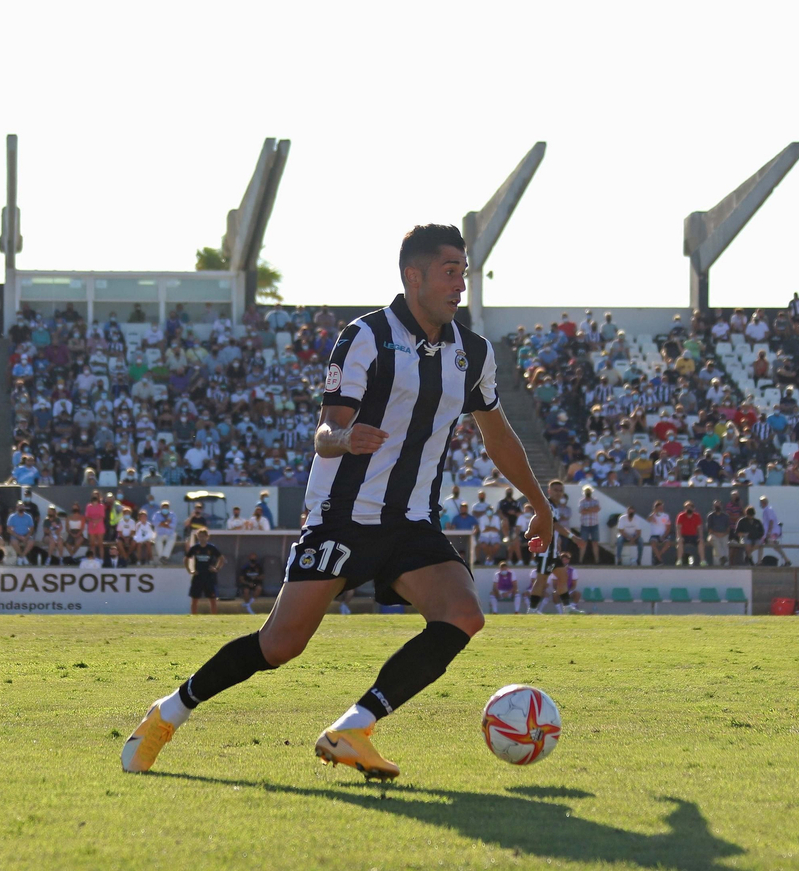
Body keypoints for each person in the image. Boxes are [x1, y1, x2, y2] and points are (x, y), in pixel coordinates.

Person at [121, 225, 555, 781]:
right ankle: (168, 712)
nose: (460, 285)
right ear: (413, 276)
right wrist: (346, 440)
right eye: (450, 271)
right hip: (343, 518)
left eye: (464, 273)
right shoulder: (367, 337)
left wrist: (539, 503)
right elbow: (327, 429)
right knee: (279, 645)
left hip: (413, 522)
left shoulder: (473, 352)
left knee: (464, 614)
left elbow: (497, 435)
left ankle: (354, 727)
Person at [185, 527, 225, 615]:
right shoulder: (195, 548)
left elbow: (221, 558)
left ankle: (214, 617)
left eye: (203, 536)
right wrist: (190, 570)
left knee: (212, 599)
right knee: (195, 599)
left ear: (207, 537)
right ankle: (193, 617)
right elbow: (186, 559)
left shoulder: (211, 548)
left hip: (209, 576)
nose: (201, 538)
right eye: (199, 536)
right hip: (198, 575)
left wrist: (216, 568)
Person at [758, 495, 791, 566]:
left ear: (763, 502)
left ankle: (759, 562)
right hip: (770, 532)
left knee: (766, 545)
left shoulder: (768, 510)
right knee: (773, 547)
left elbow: (771, 521)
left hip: (771, 532)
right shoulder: (768, 510)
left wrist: (768, 533)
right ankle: (786, 560)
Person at [576, 486, 601, 564]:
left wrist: (587, 509)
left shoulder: (595, 500)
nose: (588, 493)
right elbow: (581, 511)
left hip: (594, 524)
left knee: (595, 543)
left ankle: (597, 560)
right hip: (585, 525)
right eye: (586, 491)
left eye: (589, 491)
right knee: (583, 543)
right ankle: (580, 561)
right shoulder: (582, 501)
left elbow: (597, 509)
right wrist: (592, 509)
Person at [703, 501, 731, 567]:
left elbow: (728, 528)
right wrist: (717, 534)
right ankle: (722, 558)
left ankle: (725, 564)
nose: (717, 507)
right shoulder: (710, 516)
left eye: (718, 505)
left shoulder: (726, 516)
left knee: (725, 544)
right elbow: (709, 529)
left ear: (721, 506)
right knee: (714, 540)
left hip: (724, 534)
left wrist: (723, 534)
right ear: (713, 507)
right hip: (713, 535)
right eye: (716, 506)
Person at [675, 501, 702, 567]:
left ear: (693, 508)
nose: (688, 509)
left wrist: (700, 537)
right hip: (684, 536)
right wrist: (679, 537)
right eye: (687, 507)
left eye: (690, 507)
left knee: (701, 542)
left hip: (693, 536)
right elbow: (678, 528)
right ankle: (679, 560)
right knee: (680, 542)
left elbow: (699, 528)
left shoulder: (697, 516)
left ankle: (702, 560)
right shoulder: (681, 516)